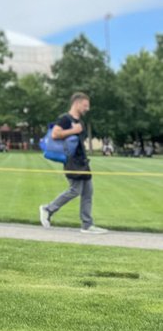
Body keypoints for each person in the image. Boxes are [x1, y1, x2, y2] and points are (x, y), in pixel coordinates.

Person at [39, 93, 107, 235]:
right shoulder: (65, 119)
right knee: (75, 190)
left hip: (82, 161)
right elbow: (55, 134)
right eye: (85, 105)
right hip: (71, 161)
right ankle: (48, 209)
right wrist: (73, 131)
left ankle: (87, 225)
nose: (87, 109)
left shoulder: (80, 122)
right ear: (77, 103)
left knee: (88, 192)